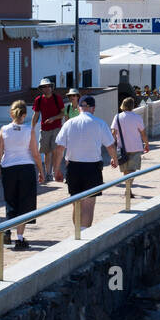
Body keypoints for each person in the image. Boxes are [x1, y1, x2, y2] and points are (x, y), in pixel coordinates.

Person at [53, 95, 117, 230]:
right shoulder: (100, 123)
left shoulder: (69, 123)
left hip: (73, 167)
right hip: (92, 167)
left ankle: (77, 233)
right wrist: (114, 159)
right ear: (93, 108)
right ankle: (84, 232)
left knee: (76, 202)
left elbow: (59, 148)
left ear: (79, 107)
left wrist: (56, 169)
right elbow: (110, 146)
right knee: (89, 203)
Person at [0, 99, 43, 250]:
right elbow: (35, 153)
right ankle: (20, 238)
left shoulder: (4, 129)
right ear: (25, 114)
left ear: (11, 113)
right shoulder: (29, 130)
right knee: (24, 203)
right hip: (26, 168)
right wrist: (41, 171)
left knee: (10, 201)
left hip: (9, 168)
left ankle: (8, 230)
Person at [112, 96, 149, 199]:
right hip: (136, 148)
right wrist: (146, 144)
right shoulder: (137, 118)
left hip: (122, 148)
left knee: (126, 171)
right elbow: (143, 133)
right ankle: (128, 190)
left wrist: (113, 148)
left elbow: (113, 133)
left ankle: (128, 190)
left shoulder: (117, 117)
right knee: (132, 170)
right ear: (133, 106)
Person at [31, 78, 63, 181]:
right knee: (46, 152)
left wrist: (53, 118)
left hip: (56, 128)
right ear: (41, 89)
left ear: (51, 87)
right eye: (44, 86)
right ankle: (48, 173)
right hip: (44, 129)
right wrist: (31, 128)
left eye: (49, 86)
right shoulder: (38, 100)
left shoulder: (57, 98)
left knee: (54, 150)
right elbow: (35, 115)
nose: (47, 88)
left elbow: (63, 113)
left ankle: (54, 172)